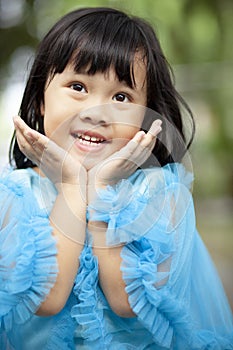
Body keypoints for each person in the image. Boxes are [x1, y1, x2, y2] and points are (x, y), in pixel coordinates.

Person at [0, 7, 232, 350]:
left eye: (121, 97)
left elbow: (130, 303)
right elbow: (44, 299)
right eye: (77, 86)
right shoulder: (15, 195)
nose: (96, 112)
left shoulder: (160, 194)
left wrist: (103, 187)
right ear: (40, 100)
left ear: (144, 115)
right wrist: (71, 188)